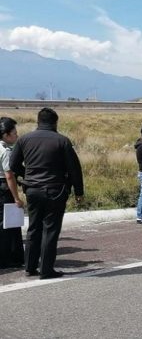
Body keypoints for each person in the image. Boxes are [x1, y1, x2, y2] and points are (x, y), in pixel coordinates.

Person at [10, 108, 84, 280]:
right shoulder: (62, 141)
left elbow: (13, 165)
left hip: (32, 190)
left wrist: (27, 176)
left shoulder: (24, 139)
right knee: (50, 229)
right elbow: (74, 169)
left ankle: (29, 266)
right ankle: (46, 269)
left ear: (38, 121)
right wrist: (78, 192)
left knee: (34, 228)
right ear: (55, 122)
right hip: (55, 190)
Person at [0, 117, 24, 270]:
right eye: (14, 133)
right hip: (3, 188)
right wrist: (16, 198)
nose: (16, 136)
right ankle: (6, 259)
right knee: (6, 224)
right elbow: (9, 176)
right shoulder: (6, 151)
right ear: (6, 135)